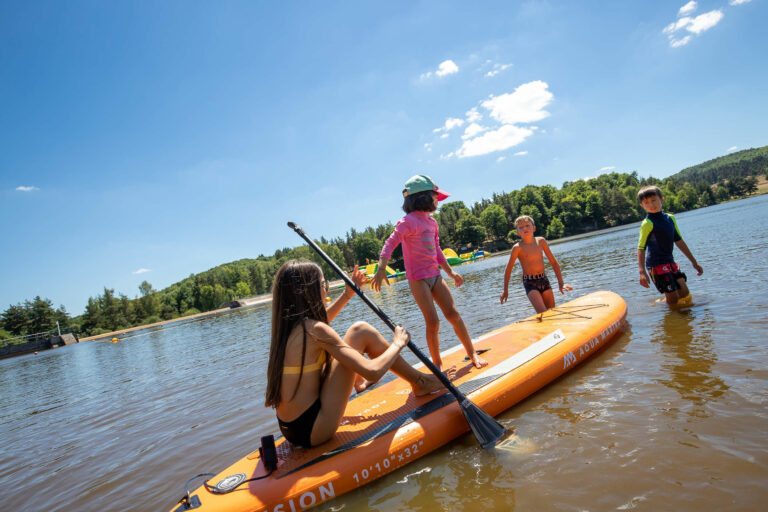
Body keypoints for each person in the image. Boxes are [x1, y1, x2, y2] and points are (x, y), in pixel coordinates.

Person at [265, 260, 449, 449]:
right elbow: (373, 372)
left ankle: (405, 381)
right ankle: (421, 382)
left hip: (290, 429)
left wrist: (347, 294)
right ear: (308, 291)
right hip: (315, 428)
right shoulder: (316, 331)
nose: (326, 290)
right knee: (361, 331)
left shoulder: (287, 330)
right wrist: (398, 343)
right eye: (323, 284)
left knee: (351, 338)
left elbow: (321, 321)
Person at [371, 174, 487, 370]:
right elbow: (390, 243)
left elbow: (437, 250)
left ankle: (472, 353)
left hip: (435, 276)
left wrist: (450, 273)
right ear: (423, 197)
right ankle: (438, 365)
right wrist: (381, 268)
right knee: (433, 322)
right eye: (435, 197)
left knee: (453, 314)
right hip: (418, 280)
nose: (437, 201)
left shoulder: (432, 223)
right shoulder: (408, 222)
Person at [636, 185, 703, 304]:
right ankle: (667, 305)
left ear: (661, 199)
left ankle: (666, 308)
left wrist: (694, 262)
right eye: (646, 202)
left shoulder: (670, 218)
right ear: (642, 205)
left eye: (653, 200)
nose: (651, 204)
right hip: (656, 265)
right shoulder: (647, 223)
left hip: (670, 261)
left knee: (685, 293)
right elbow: (641, 248)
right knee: (673, 299)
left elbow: (679, 241)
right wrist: (642, 272)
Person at [500, 215, 572, 314]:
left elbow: (554, 262)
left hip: (543, 279)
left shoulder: (541, 241)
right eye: (521, 227)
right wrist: (505, 290)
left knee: (552, 312)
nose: (524, 228)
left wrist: (561, 283)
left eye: (527, 225)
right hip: (530, 283)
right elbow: (508, 270)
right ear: (517, 232)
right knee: (543, 313)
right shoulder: (517, 248)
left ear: (533, 228)